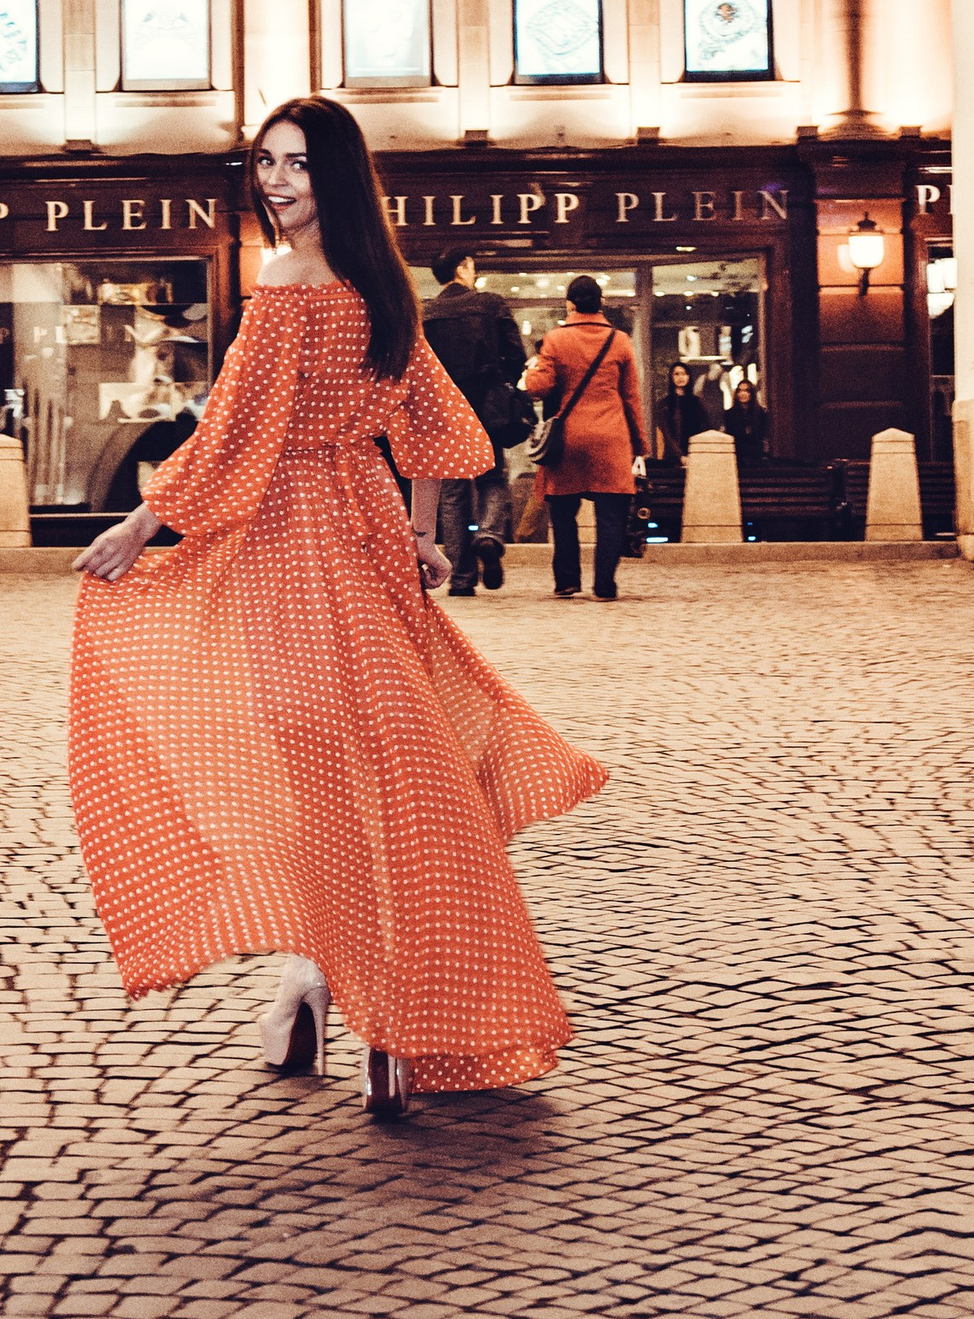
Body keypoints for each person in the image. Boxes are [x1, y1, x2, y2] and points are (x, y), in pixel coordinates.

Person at [69, 96, 606, 1122]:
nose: (275, 182)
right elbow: (441, 432)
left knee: (319, 766)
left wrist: (139, 526)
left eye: (298, 166)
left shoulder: (284, 284)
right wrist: (414, 531)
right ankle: (354, 999)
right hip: (361, 534)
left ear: (337, 178)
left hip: (285, 543)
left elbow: (231, 434)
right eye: (265, 161)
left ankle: (339, 990)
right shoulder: (380, 287)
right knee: (394, 767)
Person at [526, 275, 647, 601]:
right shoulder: (620, 340)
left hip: (569, 439)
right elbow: (631, 398)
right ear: (601, 303)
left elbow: (538, 388)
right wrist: (640, 446)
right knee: (611, 515)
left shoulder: (555, 339)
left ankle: (566, 581)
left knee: (564, 513)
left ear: (570, 304)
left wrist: (532, 368)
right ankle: (604, 586)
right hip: (611, 437)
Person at [418, 248, 525, 595]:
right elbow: (517, 357)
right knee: (493, 478)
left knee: (452, 493)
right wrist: (500, 382)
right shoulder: (491, 304)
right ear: (463, 267)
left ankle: (461, 579)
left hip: (444, 412)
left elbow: (417, 367)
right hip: (487, 408)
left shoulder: (426, 314)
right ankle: (490, 535)